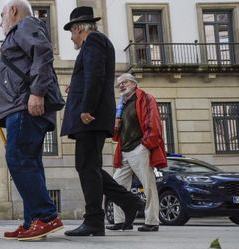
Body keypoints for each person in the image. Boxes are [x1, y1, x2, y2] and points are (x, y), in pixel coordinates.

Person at [61, 6, 143, 236]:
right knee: (90, 166)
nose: (71, 37)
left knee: (87, 166)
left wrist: (86, 108)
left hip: (91, 116)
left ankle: (94, 220)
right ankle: (128, 202)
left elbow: (96, 75)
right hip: (94, 116)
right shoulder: (96, 43)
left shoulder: (94, 40)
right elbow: (91, 75)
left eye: (71, 32)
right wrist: (76, 86)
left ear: (79, 28)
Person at [0, 0, 63, 241]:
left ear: (13, 11)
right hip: (22, 105)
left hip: (25, 105)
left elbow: (42, 52)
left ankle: (45, 217)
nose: (1, 22)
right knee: (30, 161)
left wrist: (37, 93)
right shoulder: (20, 32)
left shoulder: (25, 25)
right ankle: (33, 221)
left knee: (18, 157)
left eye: (2, 15)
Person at [107, 73, 167, 232]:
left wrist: (145, 144)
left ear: (134, 84)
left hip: (140, 147)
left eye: (124, 82)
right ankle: (120, 221)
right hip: (124, 150)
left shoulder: (145, 98)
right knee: (116, 185)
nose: (120, 85)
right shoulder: (122, 105)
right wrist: (116, 125)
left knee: (148, 185)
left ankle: (152, 221)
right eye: (118, 84)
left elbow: (153, 122)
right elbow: (115, 135)